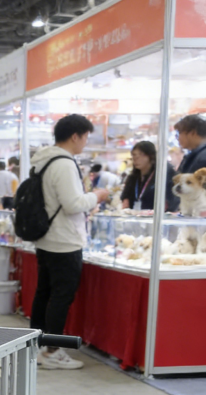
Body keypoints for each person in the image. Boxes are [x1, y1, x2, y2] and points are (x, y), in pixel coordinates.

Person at [29, 114, 109, 369]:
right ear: (75, 136)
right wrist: (96, 195)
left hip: (46, 237)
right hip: (64, 240)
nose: (85, 143)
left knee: (45, 293)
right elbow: (73, 203)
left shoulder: (43, 160)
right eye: (85, 137)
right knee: (60, 297)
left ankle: (37, 347)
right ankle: (52, 351)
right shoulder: (63, 163)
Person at [119, 141, 178, 212]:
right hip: (134, 218)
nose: (136, 158)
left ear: (151, 156)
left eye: (141, 154)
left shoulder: (162, 175)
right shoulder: (132, 178)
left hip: (156, 218)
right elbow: (125, 199)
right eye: (134, 155)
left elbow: (171, 200)